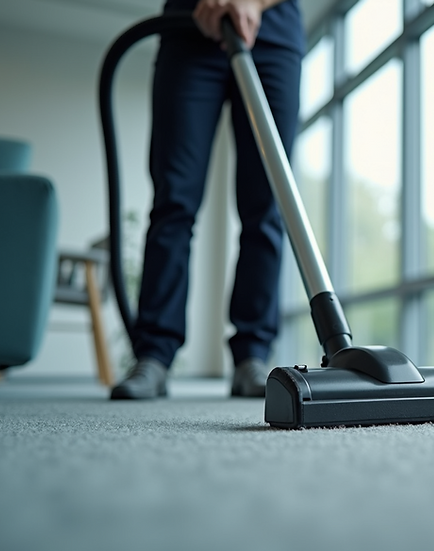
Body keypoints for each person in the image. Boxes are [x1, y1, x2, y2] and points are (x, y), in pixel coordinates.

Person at [110, 0, 304, 399]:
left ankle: (252, 355)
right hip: (190, 27)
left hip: (274, 36)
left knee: (267, 205)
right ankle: (155, 354)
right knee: (174, 201)